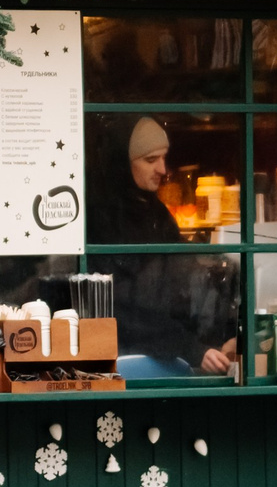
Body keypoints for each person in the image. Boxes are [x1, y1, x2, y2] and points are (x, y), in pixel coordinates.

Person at [93, 116, 239, 376]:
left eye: (163, 157)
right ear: (123, 164)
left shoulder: (158, 216)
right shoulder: (103, 221)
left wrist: (220, 336)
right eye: (150, 160)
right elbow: (127, 308)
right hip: (123, 366)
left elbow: (185, 289)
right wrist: (195, 348)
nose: (163, 169)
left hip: (167, 357)